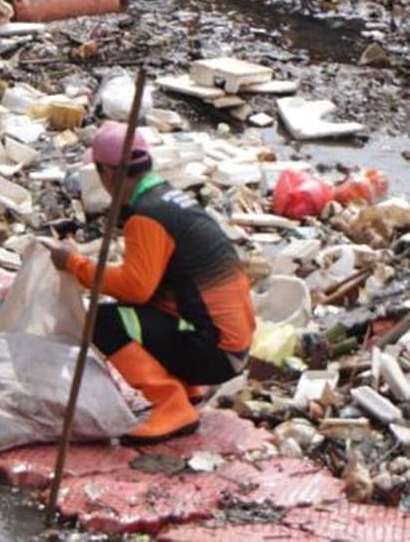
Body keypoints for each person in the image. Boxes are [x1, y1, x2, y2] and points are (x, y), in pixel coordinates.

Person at [46, 122, 256, 444]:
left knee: (101, 321)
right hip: (232, 345)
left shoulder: (147, 215)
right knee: (134, 308)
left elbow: (135, 286)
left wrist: (75, 264)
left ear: (109, 174)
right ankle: (187, 389)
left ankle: (170, 403)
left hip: (214, 351)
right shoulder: (169, 199)